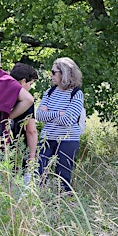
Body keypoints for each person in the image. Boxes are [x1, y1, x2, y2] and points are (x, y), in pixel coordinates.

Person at [36, 57, 85, 193]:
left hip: (68, 139)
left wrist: (50, 113)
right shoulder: (50, 92)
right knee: (39, 170)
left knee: (63, 176)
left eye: (54, 72)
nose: (51, 75)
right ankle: (38, 200)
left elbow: (69, 120)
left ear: (64, 73)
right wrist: (59, 113)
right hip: (47, 138)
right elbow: (39, 115)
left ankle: (64, 203)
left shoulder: (76, 94)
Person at [7, 63, 39, 171]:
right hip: (18, 147)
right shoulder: (26, 100)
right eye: (30, 83)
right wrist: (32, 156)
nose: (30, 87)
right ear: (23, 81)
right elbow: (31, 131)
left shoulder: (1, 94)